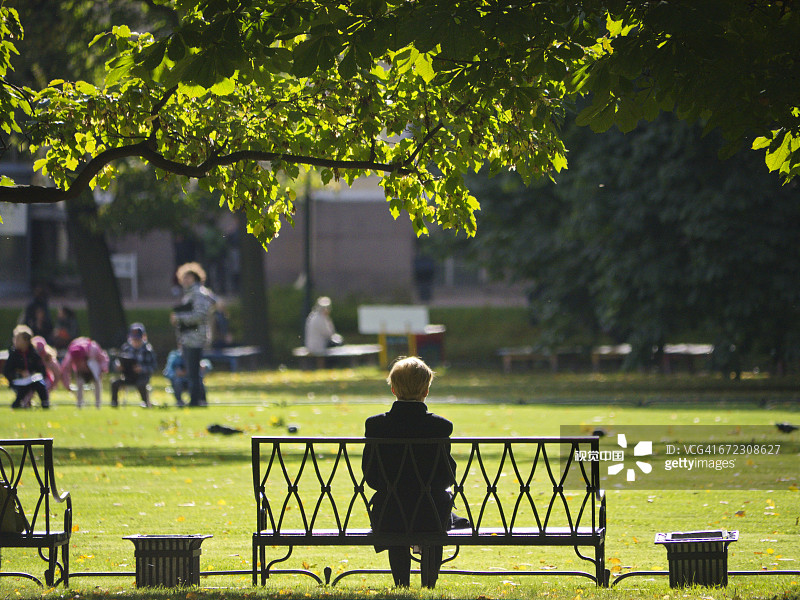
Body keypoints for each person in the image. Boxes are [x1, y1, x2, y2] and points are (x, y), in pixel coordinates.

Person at [361, 356, 466, 588]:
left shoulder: (376, 425)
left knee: (397, 512)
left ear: (393, 389)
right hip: (431, 513)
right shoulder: (440, 426)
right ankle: (429, 584)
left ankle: (401, 583)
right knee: (436, 504)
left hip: (390, 512)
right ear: (426, 391)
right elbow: (446, 476)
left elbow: (370, 475)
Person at [170, 262, 216, 407]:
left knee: (193, 373)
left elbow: (199, 315)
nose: (185, 280)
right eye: (184, 277)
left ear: (196, 278)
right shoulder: (189, 294)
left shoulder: (199, 293)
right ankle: (201, 400)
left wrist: (179, 318)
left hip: (195, 339)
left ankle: (195, 401)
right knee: (193, 371)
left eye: (189, 277)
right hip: (187, 338)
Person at [110, 323, 157, 408]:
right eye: (133, 339)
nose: (135, 342)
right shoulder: (126, 348)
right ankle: (114, 404)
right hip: (128, 376)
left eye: (138, 339)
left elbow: (153, 367)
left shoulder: (148, 350)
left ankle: (146, 403)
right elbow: (117, 361)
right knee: (114, 382)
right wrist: (118, 366)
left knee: (141, 384)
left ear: (143, 337)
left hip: (142, 377)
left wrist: (142, 368)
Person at [3, 325, 50, 409]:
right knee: (24, 388)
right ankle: (17, 404)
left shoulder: (33, 354)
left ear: (26, 341)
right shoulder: (13, 354)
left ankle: (45, 403)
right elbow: (7, 371)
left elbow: (41, 369)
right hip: (18, 381)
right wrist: (20, 374)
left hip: (32, 380)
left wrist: (33, 374)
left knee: (40, 384)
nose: (15, 341)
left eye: (18, 339)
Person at [60, 337, 109, 408]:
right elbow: (65, 369)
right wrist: (67, 385)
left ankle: (98, 404)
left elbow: (103, 359)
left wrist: (103, 369)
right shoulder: (71, 355)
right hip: (81, 372)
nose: (78, 363)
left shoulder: (93, 349)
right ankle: (79, 404)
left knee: (97, 382)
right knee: (79, 383)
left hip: (93, 369)